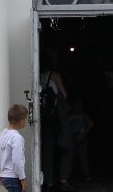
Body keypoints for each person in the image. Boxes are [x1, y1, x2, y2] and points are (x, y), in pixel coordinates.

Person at [40, 51, 75, 191]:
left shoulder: (38, 76)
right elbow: (64, 95)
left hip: (45, 117)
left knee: (48, 149)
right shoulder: (54, 75)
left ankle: (48, 181)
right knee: (66, 144)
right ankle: (63, 179)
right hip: (57, 117)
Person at [0, 104, 29, 192]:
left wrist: (0, 172)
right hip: (13, 178)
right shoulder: (17, 138)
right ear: (22, 121)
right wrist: (22, 178)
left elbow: (1, 155)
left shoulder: (4, 133)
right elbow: (17, 160)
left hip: (4, 176)